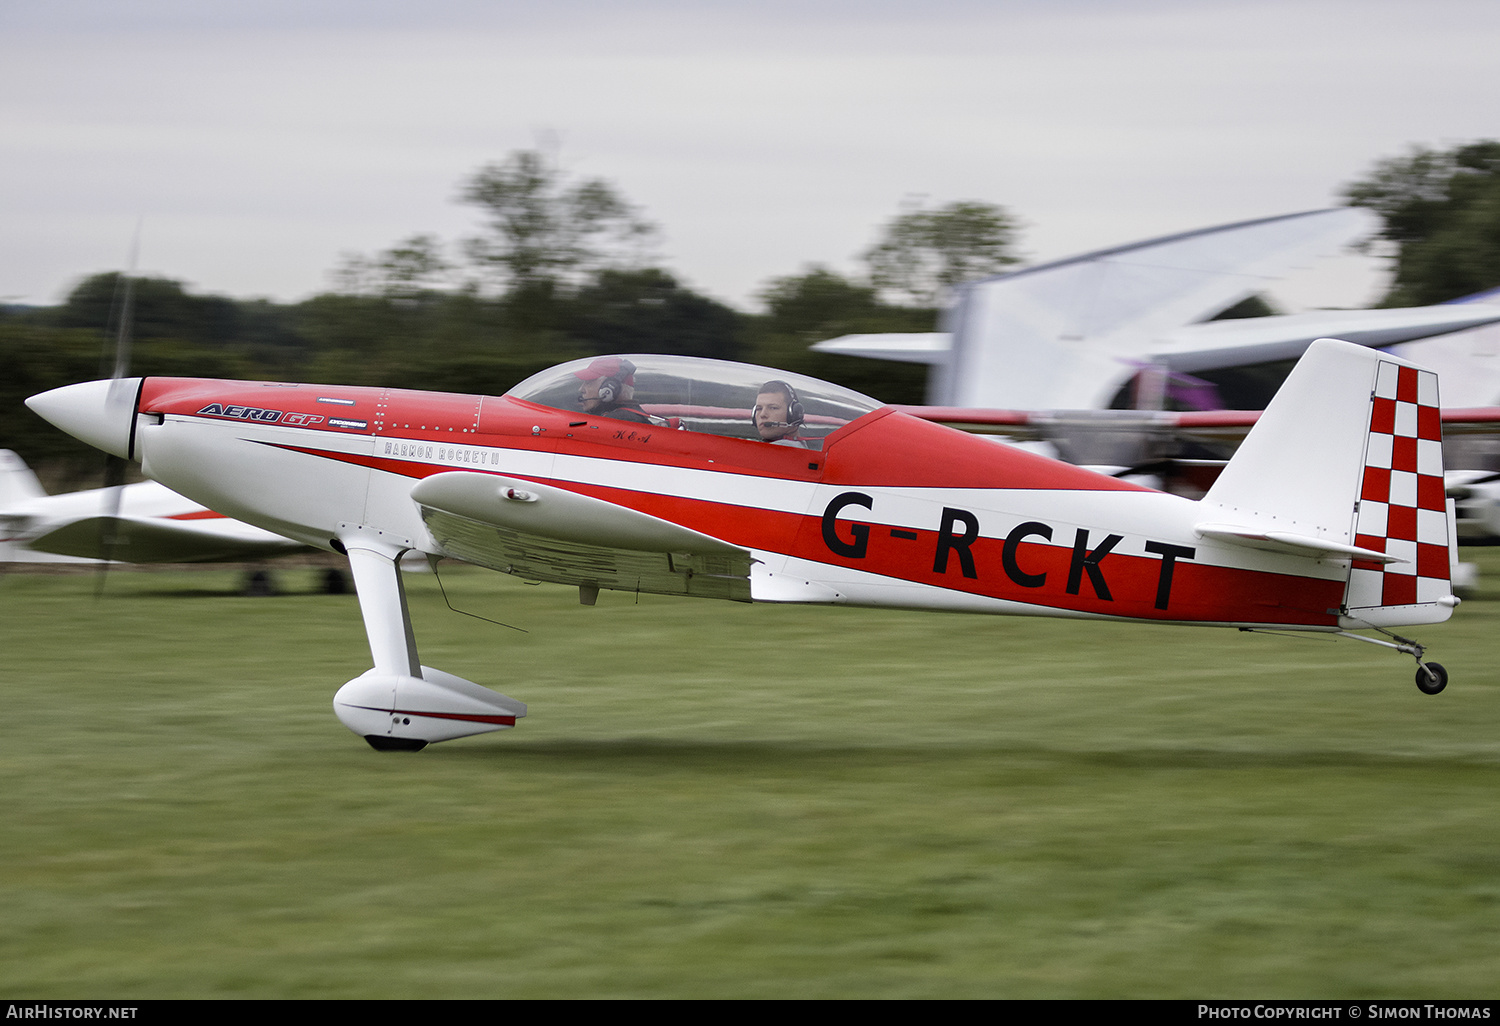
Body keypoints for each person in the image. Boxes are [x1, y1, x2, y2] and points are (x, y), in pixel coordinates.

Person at [574, 357, 652, 423]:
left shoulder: (617, 421)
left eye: (589, 383)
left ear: (609, 388)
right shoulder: (629, 415)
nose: (581, 389)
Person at [753, 380, 809, 446]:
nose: (762, 414)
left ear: (794, 414)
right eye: (759, 408)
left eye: (773, 408)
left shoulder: (783, 449)